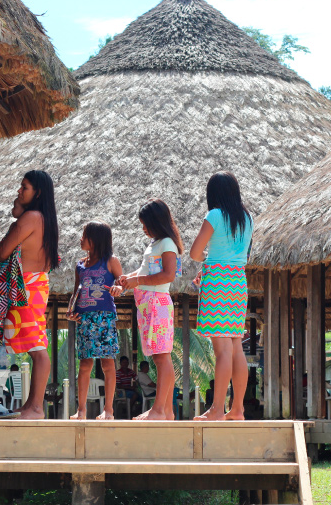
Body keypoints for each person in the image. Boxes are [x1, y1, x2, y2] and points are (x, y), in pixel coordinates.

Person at [0, 170, 59, 419]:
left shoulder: (30, 218)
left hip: (25, 289)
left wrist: (17, 217)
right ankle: (32, 404)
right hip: (37, 285)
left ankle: (36, 407)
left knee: (37, 349)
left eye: (24, 188)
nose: (19, 192)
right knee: (36, 345)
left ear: (37, 192)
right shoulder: (46, 219)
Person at [190, 172, 253, 421]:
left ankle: (217, 409)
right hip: (238, 282)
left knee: (222, 350)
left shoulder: (215, 215)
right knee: (236, 346)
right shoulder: (248, 218)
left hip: (217, 283)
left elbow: (196, 252)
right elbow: (243, 256)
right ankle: (237, 409)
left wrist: (209, 262)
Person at [120, 199, 182, 420]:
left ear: (156, 221)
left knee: (162, 358)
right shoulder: (155, 244)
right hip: (148, 304)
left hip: (157, 303)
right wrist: (129, 278)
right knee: (160, 358)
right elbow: (145, 269)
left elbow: (168, 275)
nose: (143, 228)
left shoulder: (167, 243)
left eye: (146, 224)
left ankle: (158, 410)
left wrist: (138, 281)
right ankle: (166, 411)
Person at [68, 221, 123, 420]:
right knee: (85, 365)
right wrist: (71, 311)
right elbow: (76, 292)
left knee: (108, 365)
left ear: (96, 239)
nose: (81, 239)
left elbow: (122, 282)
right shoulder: (80, 265)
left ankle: (108, 410)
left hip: (105, 317)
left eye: (84, 235)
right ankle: (81, 410)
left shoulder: (111, 261)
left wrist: (119, 288)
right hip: (84, 319)